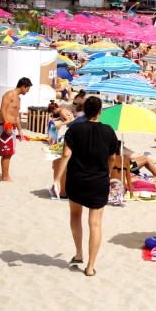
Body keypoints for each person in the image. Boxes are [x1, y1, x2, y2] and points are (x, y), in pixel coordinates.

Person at [52, 96, 118, 277]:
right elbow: (112, 157)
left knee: (75, 214)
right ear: (99, 111)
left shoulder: (75, 129)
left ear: (84, 110)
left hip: (77, 180)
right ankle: (90, 266)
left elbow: (65, 155)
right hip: (98, 181)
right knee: (95, 223)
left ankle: (79, 252)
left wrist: (57, 179)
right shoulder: (108, 131)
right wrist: (108, 172)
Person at [0, 77, 32, 182]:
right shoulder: (10, 94)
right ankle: (5, 177)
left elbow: (16, 116)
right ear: (23, 86)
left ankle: (6, 175)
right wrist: (7, 124)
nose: (28, 91)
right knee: (6, 152)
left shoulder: (19, 98)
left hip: (12, 128)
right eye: (28, 88)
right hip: (4, 126)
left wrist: (20, 130)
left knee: (10, 152)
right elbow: (2, 109)